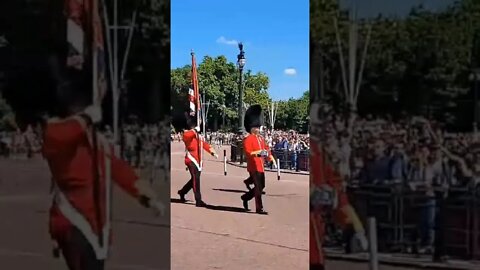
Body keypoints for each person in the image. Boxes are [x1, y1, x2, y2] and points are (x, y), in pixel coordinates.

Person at [3, 54, 165, 270]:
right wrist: (87, 115)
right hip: (72, 218)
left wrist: (145, 196)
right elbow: (65, 133)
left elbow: (116, 168)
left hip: (94, 222)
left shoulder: (91, 138)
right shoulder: (54, 132)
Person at [175, 111, 218, 207]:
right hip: (191, 160)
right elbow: (188, 135)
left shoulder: (196, 135)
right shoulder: (186, 134)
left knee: (194, 180)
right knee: (196, 179)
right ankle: (198, 200)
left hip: (198, 160)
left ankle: (182, 192)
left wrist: (212, 151)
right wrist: (195, 130)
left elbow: (204, 144)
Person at [240, 105, 276, 214]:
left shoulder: (260, 138)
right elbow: (248, 152)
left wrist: (271, 158)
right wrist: (258, 153)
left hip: (260, 166)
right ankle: (259, 208)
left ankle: (245, 197)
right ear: (252, 127)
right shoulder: (248, 139)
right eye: (257, 127)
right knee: (258, 187)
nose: (258, 128)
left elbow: (266, 149)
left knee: (261, 186)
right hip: (253, 166)